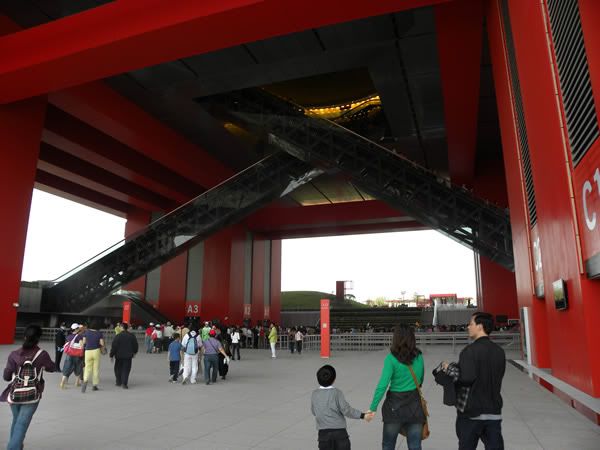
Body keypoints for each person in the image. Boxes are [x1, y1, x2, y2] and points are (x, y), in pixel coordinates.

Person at [441, 312, 506, 450]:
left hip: (471, 413)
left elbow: (466, 378)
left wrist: (449, 369)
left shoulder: (469, 351)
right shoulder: (499, 351)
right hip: (493, 411)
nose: (468, 327)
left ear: (480, 326)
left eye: (471, 324)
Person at [369, 324, 426, 450]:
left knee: (388, 445)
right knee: (415, 446)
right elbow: (420, 380)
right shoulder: (419, 357)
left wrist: (373, 408)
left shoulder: (390, 359)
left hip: (394, 408)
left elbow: (382, 385)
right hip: (415, 406)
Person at [1, 325, 56, 450]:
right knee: (21, 424)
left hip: (15, 394)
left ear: (25, 337)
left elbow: (6, 377)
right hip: (32, 394)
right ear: (38, 338)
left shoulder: (14, 354)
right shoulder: (42, 354)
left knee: (17, 421)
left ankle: (16, 446)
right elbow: (52, 368)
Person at [311, 365, 374, 449]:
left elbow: (314, 411)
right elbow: (346, 410)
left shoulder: (315, 394)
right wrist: (362, 415)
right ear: (334, 379)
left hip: (323, 436)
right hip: (340, 434)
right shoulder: (337, 393)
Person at [109, 323, 138, 389]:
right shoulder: (132, 336)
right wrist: (134, 352)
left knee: (117, 368)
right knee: (126, 369)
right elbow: (135, 345)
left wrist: (111, 355)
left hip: (119, 356)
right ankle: (124, 383)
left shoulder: (118, 336)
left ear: (122, 327)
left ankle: (118, 381)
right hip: (128, 356)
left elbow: (114, 346)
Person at [81, 323, 105, 393]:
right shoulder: (99, 333)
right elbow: (102, 343)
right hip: (96, 351)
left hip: (88, 351)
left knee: (87, 368)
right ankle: (94, 385)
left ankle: (85, 381)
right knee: (96, 368)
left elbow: (84, 342)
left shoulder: (86, 332)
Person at [59, 323, 84, 389]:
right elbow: (82, 346)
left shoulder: (68, 336)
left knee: (67, 368)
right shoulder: (79, 336)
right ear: (76, 329)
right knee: (78, 368)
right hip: (77, 355)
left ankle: (62, 383)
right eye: (78, 328)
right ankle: (77, 383)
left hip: (69, 355)